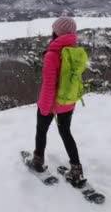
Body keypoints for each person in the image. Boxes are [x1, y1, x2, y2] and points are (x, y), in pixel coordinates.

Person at [29, 17, 84, 184]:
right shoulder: (75, 52)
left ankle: (38, 161)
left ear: (57, 33)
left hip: (52, 103)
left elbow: (49, 85)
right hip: (68, 102)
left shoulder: (52, 54)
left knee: (41, 131)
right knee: (66, 133)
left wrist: (44, 108)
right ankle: (76, 169)